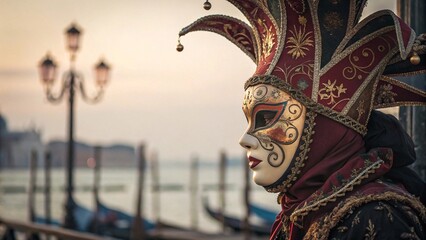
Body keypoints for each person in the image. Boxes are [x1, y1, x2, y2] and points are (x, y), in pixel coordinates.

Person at [179, 0, 426, 239]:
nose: (245, 140)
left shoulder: (377, 218)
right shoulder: (301, 210)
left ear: (322, 129)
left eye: (266, 117)